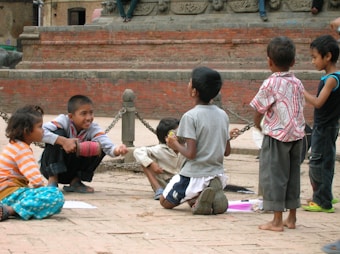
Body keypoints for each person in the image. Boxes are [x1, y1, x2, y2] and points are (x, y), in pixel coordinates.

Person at [160, 66, 236, 215]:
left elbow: (191, 154)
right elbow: (227, 151)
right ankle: (204, 197)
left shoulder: (190, 116)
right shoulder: (223, 115)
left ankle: (200, 194)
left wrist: (174, 144)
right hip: (217, 174)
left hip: (194, 175)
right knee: (187, 197)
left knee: (164, 202)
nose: (188, 84)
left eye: (189, 82)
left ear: (194, 91)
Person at [250, 36, 305, 231]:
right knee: (292, 176)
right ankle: (291, 218)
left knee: (275, 177)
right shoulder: (297, 82)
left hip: (276, 137)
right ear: (293, 62)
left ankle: (276, 221)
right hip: (297, 136)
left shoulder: (270, 83)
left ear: (269, 61)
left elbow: (259, 109)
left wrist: (257, 125)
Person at [40, 95, 128, 193]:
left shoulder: (93, 128)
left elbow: (107, 145)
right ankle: (53, 181)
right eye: (83, 114)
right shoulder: (63, 121)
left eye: (91, 113)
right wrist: (63, 141)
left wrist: (117, 150)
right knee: (57, 133)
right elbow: (40, 132)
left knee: (99, 146)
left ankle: (75, 181)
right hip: (50, 169)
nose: (89, 118)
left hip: (71, 170)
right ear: (71, 116)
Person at [0, 105, 64, 222]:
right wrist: (45, 193)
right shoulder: (22, 149)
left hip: (6, 192)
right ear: (27, 131)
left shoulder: (14, 145)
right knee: (56, 196)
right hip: (8, 194)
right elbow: (36, 181)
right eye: (40, 127)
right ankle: (9, 210)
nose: (43, 130)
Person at [301, 35, 340, 214]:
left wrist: (301, 91)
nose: (313, 61)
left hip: (324, 127)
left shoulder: (331, 79)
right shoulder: (335, 76)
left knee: (317, 162)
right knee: (326, 161)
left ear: (328, 56)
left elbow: (318, 102)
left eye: (315, 57)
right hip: (330, 126)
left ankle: (322, 201)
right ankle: (324, 194)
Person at [133, 117, 185, 200]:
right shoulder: (159, 150)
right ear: (167, 138)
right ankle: (158, 189)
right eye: (176, 133)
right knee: (144, 162)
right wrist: (151, 164)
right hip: (166, 183)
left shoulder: (186, 149)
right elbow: (138, 152)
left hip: (184, 182)